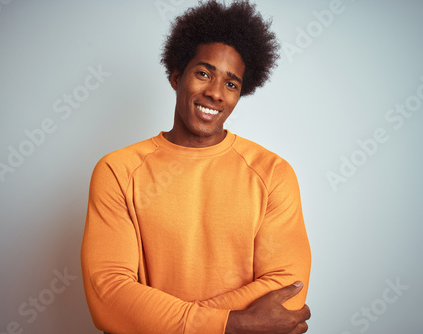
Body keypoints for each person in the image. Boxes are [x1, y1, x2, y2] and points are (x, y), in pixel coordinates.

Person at [81, 1, 311, 333]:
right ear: (176, 76)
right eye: (204, 73)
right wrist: (231, 325)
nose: (216, 93)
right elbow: (109, 297)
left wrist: (161, 321)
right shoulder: (118, 171)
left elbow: (288, 292)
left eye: (231, 84)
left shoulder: (272, 173)